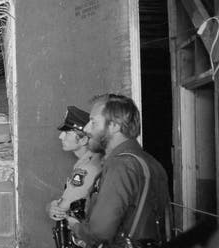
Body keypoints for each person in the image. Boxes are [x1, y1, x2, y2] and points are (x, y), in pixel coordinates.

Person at [66, 93, 170, 247]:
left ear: (114, 125)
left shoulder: (120, 165)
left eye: (93, 122)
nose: (87, 129)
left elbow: (100, 232)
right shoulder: (152, 163)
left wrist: (76, 226)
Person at [48, 106, 103, 248]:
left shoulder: (86, 168)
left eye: (67, 133)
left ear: (84, 139)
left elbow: (63, 208)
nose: (61, 136)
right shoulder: (90, 160)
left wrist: (50, 207)